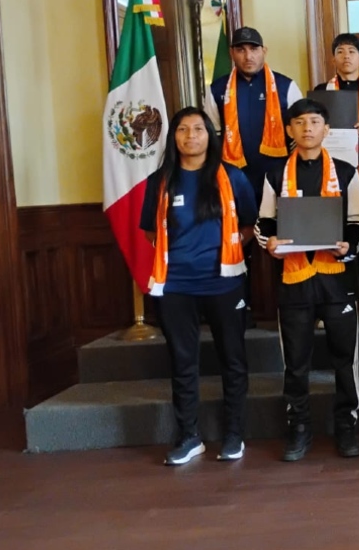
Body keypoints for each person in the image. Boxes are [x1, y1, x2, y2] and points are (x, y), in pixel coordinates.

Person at [140, 108, 257, 465]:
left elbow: (249, 226)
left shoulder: (233, 177)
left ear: (210, 135)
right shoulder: (159, 181)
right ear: (173, 137)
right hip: (175, 285)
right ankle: (189, 436)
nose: (190, 136)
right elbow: (150, 232)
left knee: (232, 358)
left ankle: (234, 433)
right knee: (183, 360)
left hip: (224, 281)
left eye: (198, 129)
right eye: (182, 130)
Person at [256, 100, 359, 460]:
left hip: (337, 280)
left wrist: (347, 247)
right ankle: (299, 427)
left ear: (326, 130)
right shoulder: (275, 174)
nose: (307, 128)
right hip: (295, 280)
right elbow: (265, 223)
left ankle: (347, 426)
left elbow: (358, 222)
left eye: (315, 122)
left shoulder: (347, 171)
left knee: (343, 359)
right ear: (289, 130)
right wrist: (269, 242)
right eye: (300, 123)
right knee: (296, 360)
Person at [313, 33, 359, 326]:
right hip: (331, 175)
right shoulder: (321, 92)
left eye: (351, 52)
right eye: (340, 51)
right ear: (333, 59)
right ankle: (332, 301)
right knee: (331, 235)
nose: (346, 57)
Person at [209, 27, 303, 205]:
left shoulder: (286, 86)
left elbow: (302, 133)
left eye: (253, 49)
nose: (248, 56)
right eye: (240, 50)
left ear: (264, 51)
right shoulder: (217, 89)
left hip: (279, 176)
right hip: (234, 176)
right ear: (231, 53)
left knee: (277, 229)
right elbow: (214, 135)